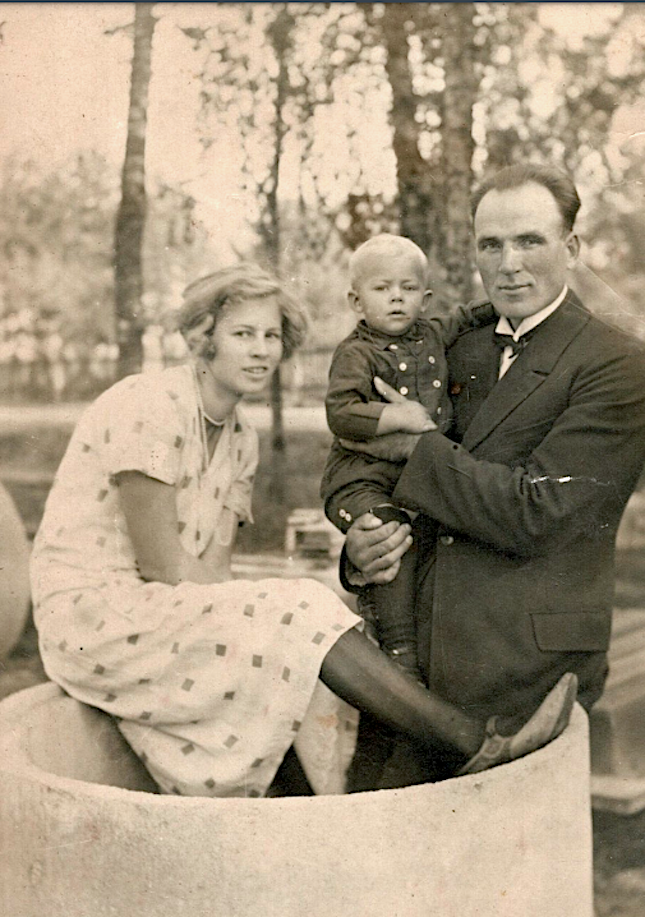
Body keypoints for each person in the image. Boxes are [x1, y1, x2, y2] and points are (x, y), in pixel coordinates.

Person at [30, 261, 576, 798]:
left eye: (271, 336)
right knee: (298, 614)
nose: (261, 350)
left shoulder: (240, 439)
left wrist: (279, 620)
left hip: (160, 611)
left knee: (301, 640)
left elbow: (214, 572)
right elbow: (163, 565)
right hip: (94, 615)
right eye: (243, 334)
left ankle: (325, 808)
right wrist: (282, 611)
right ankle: (470, 742)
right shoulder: (149, 406)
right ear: (203, 337)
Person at [333, 163, 645, 790]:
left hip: (525, 669)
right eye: (491, 244)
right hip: (410, 664)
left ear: (572, 248)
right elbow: (355, 453)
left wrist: (415, 447)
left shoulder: (618, 363)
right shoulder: (449, 346)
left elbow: (539, 512)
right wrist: (361, 543)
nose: (509, 264)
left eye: (529, 241)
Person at [321, 233, 491, 680]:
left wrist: (500, 303)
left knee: (428, 541)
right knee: (388, 535)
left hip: (415, 477)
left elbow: (468, 314)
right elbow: (341, 413)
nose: (396, 297)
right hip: (361, 478)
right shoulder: (356, 353)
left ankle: (418, 649)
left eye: (408, 288)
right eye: (382, 288)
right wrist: (398, 416)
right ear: (356, 301)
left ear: (425, 298)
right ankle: (399, 649)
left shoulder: (432, 333)